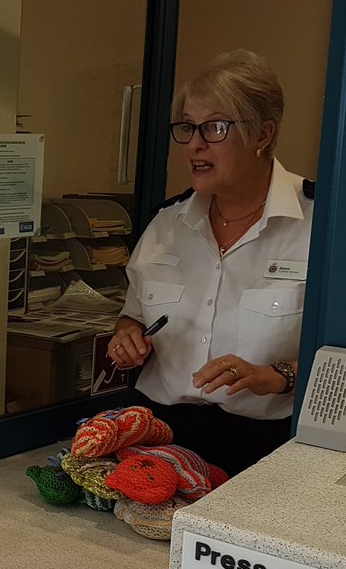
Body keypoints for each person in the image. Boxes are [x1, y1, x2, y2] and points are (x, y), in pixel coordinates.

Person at [107, 50, 307, 476]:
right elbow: (133, 316)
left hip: (269, 450)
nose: (194, 144)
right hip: (158, 438)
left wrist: (279, 376)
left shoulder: (324, 228)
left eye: (214, 127)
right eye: (187, 127)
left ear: (263, 135)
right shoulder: (166, 224)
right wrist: (127, 335)